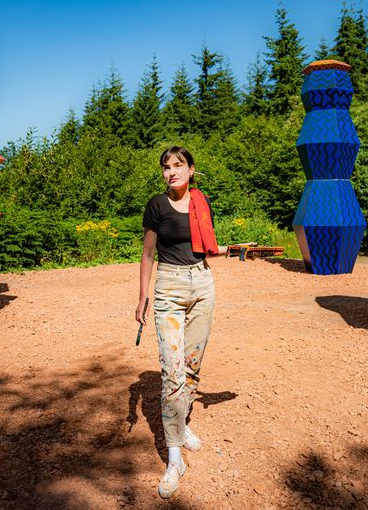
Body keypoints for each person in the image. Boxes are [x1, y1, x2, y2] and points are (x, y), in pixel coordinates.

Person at [137, 145, 226, 499]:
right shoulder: (156, 206)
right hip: (169, 286)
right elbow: (147, 254)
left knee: (191, 367)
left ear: (191, 169)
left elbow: (205, 244)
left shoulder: (201, 203)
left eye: (177, 166)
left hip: (202, 283)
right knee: (172, 370)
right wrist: (142, 296)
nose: (171, 172)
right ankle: (174, 457)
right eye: (166, 167)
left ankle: (182, 420)